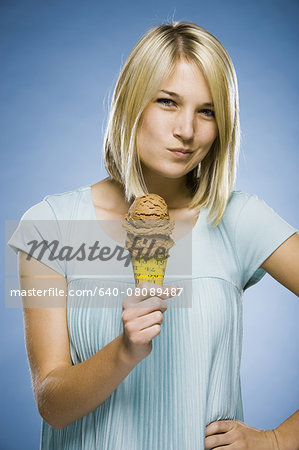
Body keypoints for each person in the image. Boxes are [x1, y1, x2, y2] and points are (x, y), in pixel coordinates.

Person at [7, 21, 299, 450]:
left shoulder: (238, 218)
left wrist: (278, 440)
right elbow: (52, 404)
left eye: (208, 110)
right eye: (167, 102)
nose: (187, 130)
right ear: (131, 104)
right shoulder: (51, 225)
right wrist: (125, 351)